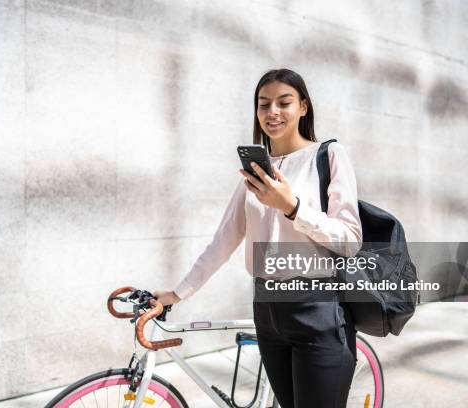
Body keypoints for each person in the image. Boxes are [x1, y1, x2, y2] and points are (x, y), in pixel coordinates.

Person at [154, 68, 362, 408]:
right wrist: (177, 294)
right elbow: (222, 242)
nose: (272, 112)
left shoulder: (328, 155)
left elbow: (350, 240)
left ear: (304, 107)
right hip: (268, 312)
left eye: (284, 102)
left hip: (318, 310)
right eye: (263, 105)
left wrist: (291, 206)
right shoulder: (256, 173)